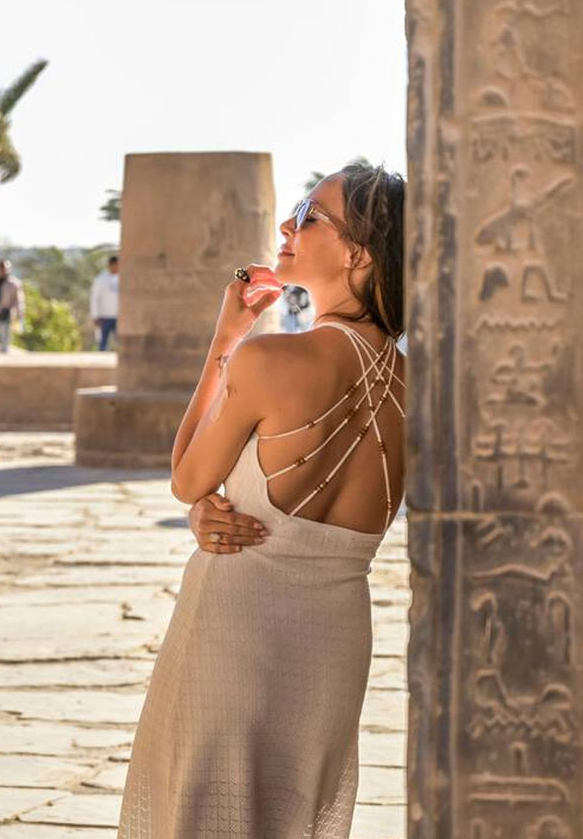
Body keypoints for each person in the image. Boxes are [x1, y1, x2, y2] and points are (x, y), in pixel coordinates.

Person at [118, 161, 406, 838]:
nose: (285, 225)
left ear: (358, 254)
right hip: (336, 642)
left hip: (236, 625)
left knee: (200, 811)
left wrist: (226, 340)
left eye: (309, 215)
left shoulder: (268, 359)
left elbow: (189, 478)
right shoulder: (420, 387)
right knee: (293, 814)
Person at [90, 254, 120, 351]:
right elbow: (94, 298)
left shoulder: (123, 278)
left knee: (121, 345)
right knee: (103, 344)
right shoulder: (101, 279)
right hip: (104, 317)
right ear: (110, 265)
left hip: (119, 316)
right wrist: (95, 316)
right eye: (115, 265)